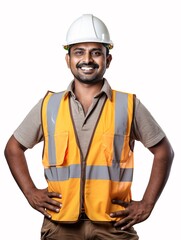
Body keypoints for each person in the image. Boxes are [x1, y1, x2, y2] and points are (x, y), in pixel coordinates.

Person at [4, 14, 174, 240]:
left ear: (108, 59)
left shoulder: (128, 105)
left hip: (114, 224)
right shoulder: (49, 106)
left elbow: (164, 151)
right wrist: (30, 192)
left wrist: (147, 203)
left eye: (96, 52)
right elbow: (13, 148)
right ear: (68, 60)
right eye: (79, 52)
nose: (87, 59)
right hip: (60, 224)